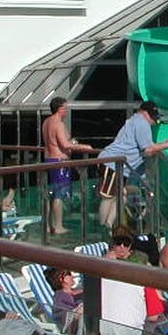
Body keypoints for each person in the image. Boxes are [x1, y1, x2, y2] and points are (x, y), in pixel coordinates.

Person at [10, 232, 158, 335]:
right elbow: (153, 317)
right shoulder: (62, 295)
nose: (72, 276)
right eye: (68, 274)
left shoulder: (92, 280)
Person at [96, 100, 168, 229]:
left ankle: (108, 225)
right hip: (112, 163)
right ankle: (103, 227)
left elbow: (145, 148)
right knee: (108, 197)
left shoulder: (134, 121)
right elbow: (147, 149)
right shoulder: (141, 123)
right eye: (151, 116)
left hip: (119, 166)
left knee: (121, 196)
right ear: (143, 112)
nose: (153, 120)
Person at [42, 96, 96, 235]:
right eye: (65, 108)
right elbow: (65, 145)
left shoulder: (46, 121)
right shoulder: (58, 124)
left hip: (48, 160)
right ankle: (58, 226)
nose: (66, 111)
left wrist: (72, 142)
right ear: (59, 109)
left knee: (50, 194)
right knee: (58, 195)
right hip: (59, 161)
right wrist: (83, 146)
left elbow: (59, 141)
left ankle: (47, 225)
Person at [46, 267, 83, 335]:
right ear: (62, 279)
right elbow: (66, 318)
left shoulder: (78, 289)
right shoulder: (60, 297)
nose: (73, 276)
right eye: (69, 274)